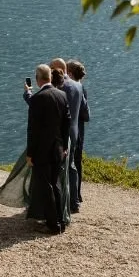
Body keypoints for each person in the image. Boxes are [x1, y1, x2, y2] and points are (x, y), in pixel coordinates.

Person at [25, 64, 70, 234]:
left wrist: (30, 153)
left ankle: (53, 224)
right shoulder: (62, 95)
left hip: (42, 151)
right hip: (58, 149)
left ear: (38, 79)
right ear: (50, 77)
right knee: (55, 184)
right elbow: (66, 123)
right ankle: (61, 220)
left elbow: (33, 130)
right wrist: (64, 146)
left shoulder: (37, 99)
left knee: (46, 187)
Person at [48, 58, 82, 222]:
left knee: (60, 169)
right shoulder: (78, 85)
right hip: (74, 131)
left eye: (51, 67)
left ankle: (62, 205)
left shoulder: (61, 87)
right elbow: (83, 111)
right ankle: (75, 202)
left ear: (58, 69)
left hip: (62, 134)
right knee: (72, 167)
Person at [67, 58, 90, 205]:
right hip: (80, 131)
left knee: (71, 164)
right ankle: (78, 194)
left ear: (69, 73)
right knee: (77, 163)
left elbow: (85, 114)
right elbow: (86, 115)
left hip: (72, 131)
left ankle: (72, 196)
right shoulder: (82, 88)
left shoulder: (71, 89)